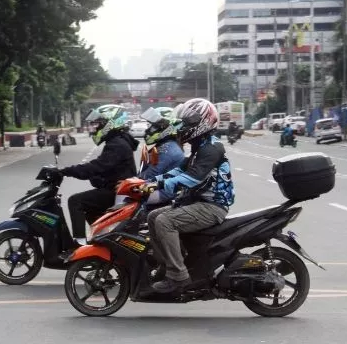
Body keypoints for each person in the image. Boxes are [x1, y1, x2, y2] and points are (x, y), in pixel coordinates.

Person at [142, 98, 234, 293]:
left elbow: (193, 178)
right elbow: (179, 171)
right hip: (197, 201)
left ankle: (178, 277)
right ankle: (166, 266)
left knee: (165, 221)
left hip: (212, 206)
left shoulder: (211, 147)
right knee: (152, 217)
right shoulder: (199, 146)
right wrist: (149, 183)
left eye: (188, 123)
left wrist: (159, 183)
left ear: (203, 122)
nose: (182, 127)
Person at [59, 104, 139, 245]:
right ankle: (102, 240)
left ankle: (79, 243)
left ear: (110, 124)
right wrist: (93, 176)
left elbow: (96, 166)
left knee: (75, 201)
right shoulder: (117, 141)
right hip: (117, 189)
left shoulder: (117, 144)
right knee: (89, 207)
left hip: (118, 192)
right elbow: (104, 169)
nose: (96, 128)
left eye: (99, 124)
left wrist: (65, 171)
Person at [138, 107, 185, 205]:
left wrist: (131, 183)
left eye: (154, 127)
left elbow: (150, 175)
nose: (149, 129)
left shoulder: (167, 149)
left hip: (165, 191)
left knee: (128, 195)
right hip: (159, 186)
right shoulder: (167, 145)